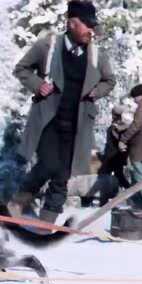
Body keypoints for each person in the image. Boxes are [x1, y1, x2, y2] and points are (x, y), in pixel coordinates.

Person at [8, 1, 115, 223]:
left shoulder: (96, 55)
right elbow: (21, 69)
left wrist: (96, 92)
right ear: (71, 23)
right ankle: (17, 203)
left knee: (62, 177)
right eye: (87, 25)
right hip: (49, 121)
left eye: (93, 26)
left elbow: (109, 80)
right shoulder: (46, 47)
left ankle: (46, 224)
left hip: (77, 126)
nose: (91, 31)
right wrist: (38, 84)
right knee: (48, 165)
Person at [98, 105, 130, 190]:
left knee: (115, 175)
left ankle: (131, 191)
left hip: (114, 156)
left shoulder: (118, 127)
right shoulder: (118, 126)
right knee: (117, 175)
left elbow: (118, 140)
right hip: (114, 155)